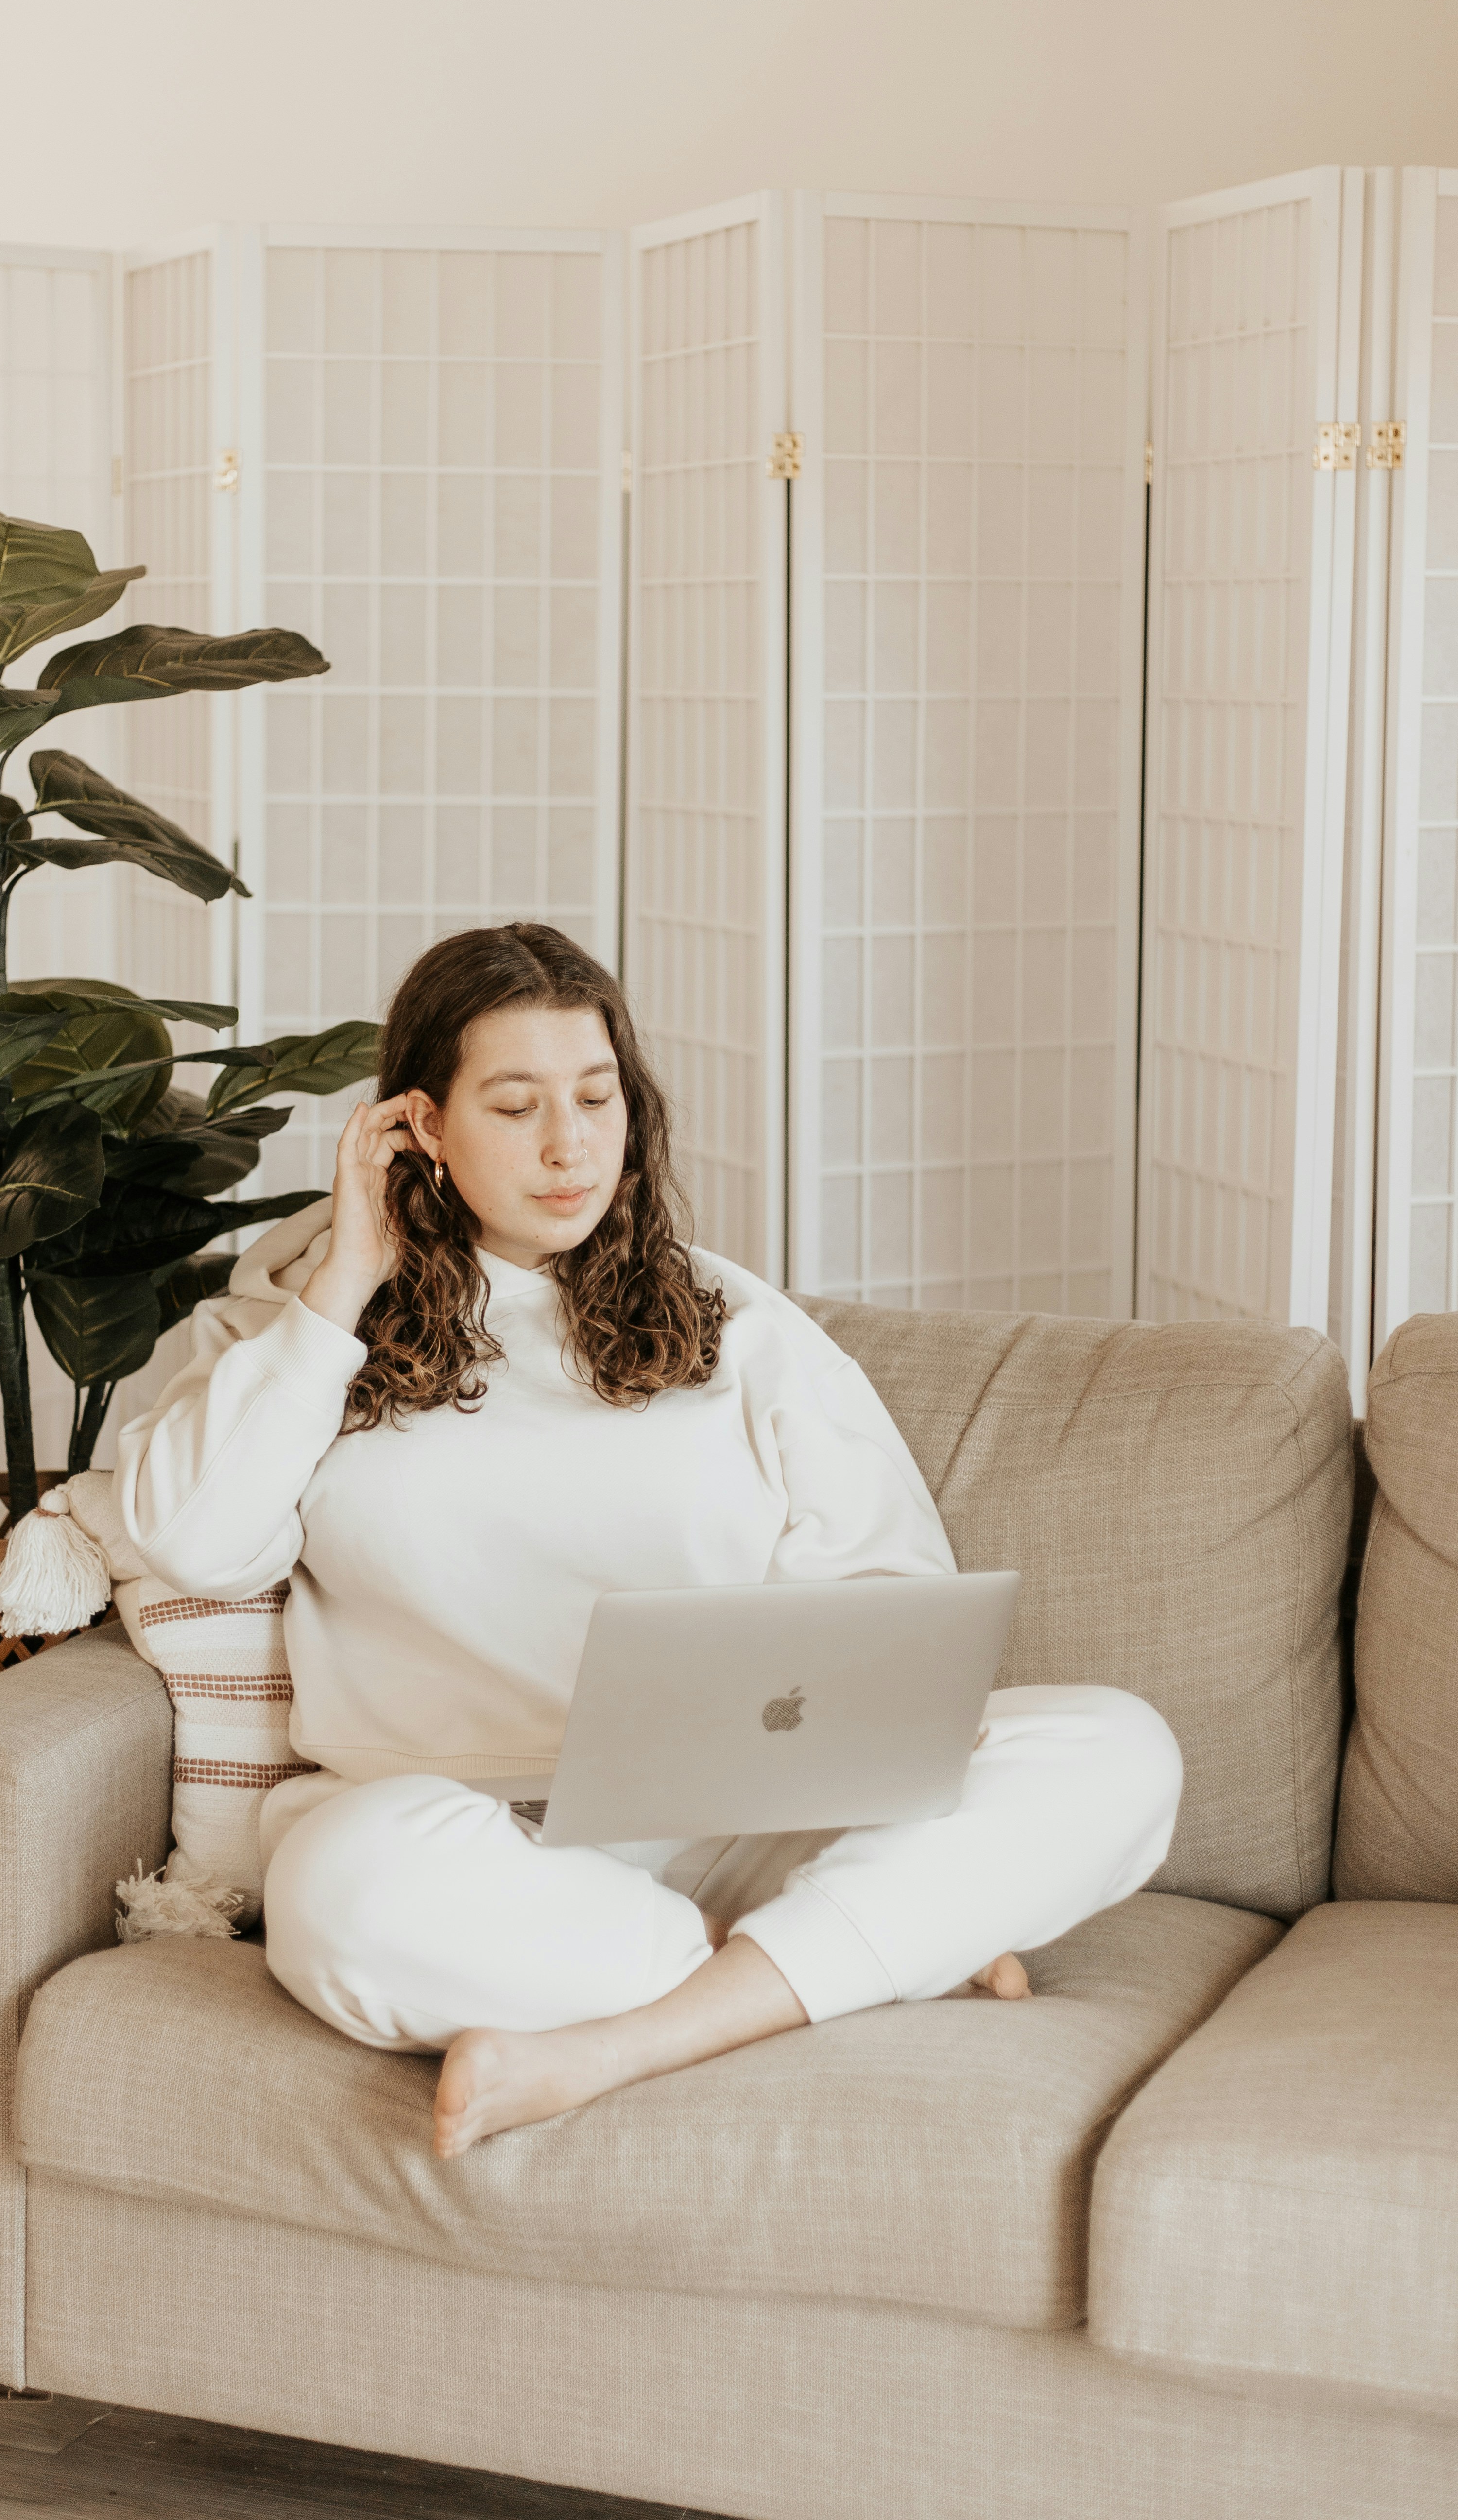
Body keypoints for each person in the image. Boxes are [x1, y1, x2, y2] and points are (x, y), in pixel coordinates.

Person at [112, 923, 1183, 2159]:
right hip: (473, 1852)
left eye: (596, 1095)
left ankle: (620, 2041)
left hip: (742, 1834)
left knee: (1116, 1748)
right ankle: (843, 1964)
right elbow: (191, 1542)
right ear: (420, 1126)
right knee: (339, 1888)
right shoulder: (297, 1331)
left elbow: (893, 1602)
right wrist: (348, 1275)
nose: (569, 1147)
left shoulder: (736, 1324)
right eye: (514, 1107)